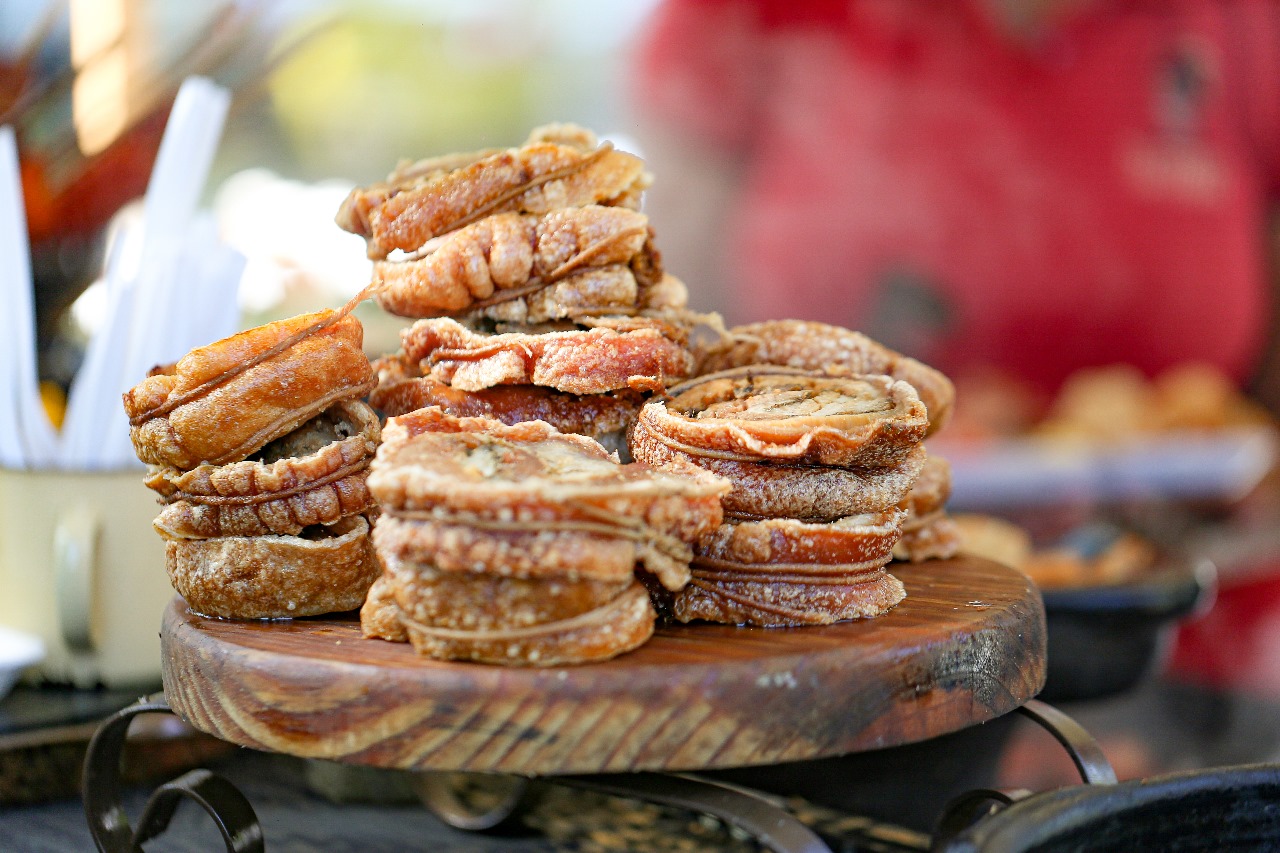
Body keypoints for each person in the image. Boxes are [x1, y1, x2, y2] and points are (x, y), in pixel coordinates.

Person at [628, 0, 1280, 402]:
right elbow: (669, 318)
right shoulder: (753, 15)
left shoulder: (1243, 24)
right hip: (838, 570)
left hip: (1200, 578)